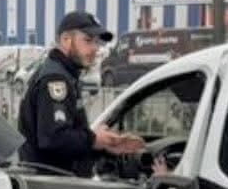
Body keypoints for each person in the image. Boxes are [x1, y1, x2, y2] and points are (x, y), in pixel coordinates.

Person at [17, 11, 145, 175]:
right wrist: (95, 140)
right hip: (53, 186)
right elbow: (54, 139)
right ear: (66, 40)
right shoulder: (55, 79)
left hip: (57, 182)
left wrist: (104, 145)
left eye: (97, 42)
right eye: (88, 40)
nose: (95, 49)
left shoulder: (63, 73)